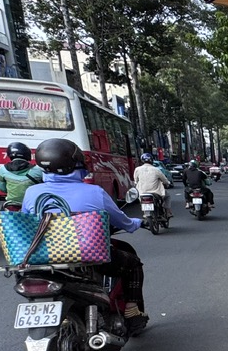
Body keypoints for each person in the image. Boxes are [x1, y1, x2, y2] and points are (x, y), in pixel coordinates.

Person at [21, 138, 149, 327]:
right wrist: (136, 223)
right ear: (76, 163)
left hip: (41, 257)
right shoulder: (94, 192)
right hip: (86, 255)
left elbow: (27, 224)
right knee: (132, 264)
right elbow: (124, 222)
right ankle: (131, 311)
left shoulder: (32, 193)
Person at [0, 142, 44, 209]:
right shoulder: (38, 170)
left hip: (11, 205)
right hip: (32, 205)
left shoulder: (2, 169)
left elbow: (1, 187)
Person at [132, 152, 173, 220]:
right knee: (167, 196)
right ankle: (168, 211)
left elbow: (136, 181)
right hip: (156, 192)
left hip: (142, 192)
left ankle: (145, 213)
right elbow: (164, 180)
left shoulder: (137, 169)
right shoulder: (156, 170)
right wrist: (167, 183)